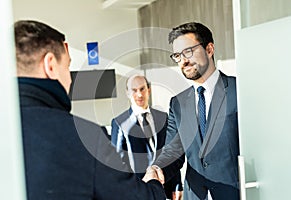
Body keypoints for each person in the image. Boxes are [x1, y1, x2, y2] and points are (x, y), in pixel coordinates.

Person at [14, 20, 166, 200]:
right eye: (68, 67)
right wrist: (153, 185)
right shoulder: (85, 137)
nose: (70, 81)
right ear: (51, 65)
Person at [143, 22, 240, 200]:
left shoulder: (239, 90)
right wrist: (157, 168)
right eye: (178, 55)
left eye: (188, 51)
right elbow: (173, 151)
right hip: (195, 195)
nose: (183, 60)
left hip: (234, 194)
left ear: (209, 49)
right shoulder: (178, 103)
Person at [111, 74, 183, 200]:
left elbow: (172, 152)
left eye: (142, 89)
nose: (139, 94)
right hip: (138, 192)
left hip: (164, 190)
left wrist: (177, 185)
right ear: (127, 93)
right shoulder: (119, 123)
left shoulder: (163, 117)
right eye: (134, 90)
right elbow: (117, 163)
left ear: (148, 90)